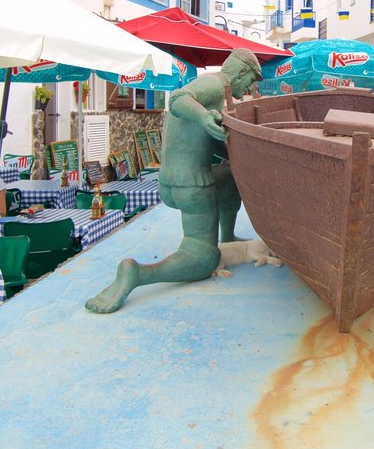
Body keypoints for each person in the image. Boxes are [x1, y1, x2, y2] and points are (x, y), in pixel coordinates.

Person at [86, 48, 263, 314]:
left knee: (229, 179)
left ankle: (226, 236)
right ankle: (138, 274)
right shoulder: (215, 84)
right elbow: (178, 100)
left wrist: (230, 150)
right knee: (203, 259)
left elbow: (204, 141)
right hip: (190, 185)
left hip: (171, 181)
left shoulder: (214, 89)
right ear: (239, 72)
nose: (251, 86)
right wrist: (205, 117)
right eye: (251, 79)